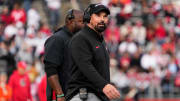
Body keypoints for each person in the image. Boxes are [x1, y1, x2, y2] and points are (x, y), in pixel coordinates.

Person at [66, 3, 120, 101]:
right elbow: (85, 65)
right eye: (98, 15)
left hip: (97, 95)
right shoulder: (81, 38)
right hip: (83, 94)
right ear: (89, 18)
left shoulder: (100, 40)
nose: (102, 19)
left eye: (105, 16)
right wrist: (104, 85)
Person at [44, 9, 84, 101]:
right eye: (80, 21)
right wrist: (59, 94)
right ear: (70, 21)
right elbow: (50, 70)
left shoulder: (78, 39)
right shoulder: (57, 39)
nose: (84, 25)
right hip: (63, 95)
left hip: (77, 94)